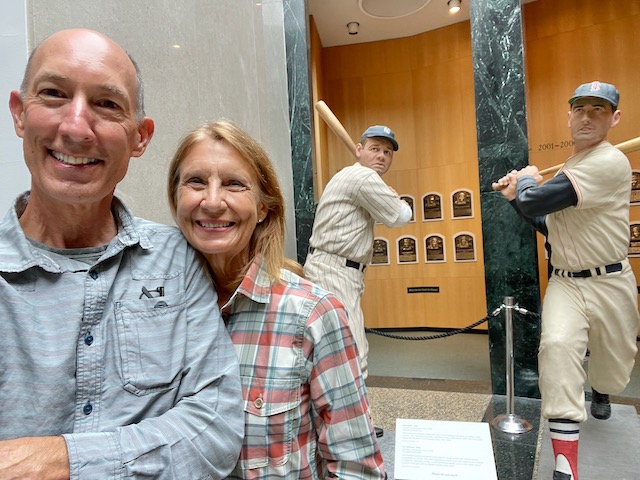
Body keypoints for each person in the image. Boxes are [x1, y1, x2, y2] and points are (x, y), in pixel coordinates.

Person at [0, 29, 244, 479]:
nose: (74, 127)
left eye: (107, 104)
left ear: (140, 137)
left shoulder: (176, 258)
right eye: (53, 94)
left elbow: (215, 426)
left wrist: (63, 461)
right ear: (19, 113)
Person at [166, 119, 386, 479]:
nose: (212, 201)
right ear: (176, 197)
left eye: (234, 184)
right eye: (196, 182)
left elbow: (355, 467)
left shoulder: (313, 314)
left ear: (265, 206)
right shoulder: (149, 309)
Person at [494, 81, 640, 480]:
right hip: (565, 281)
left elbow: (536, 200)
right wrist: (516, 197)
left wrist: (525, 178)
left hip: (610, 281)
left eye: (599, 109)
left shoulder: (609, 161)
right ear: (570, 115)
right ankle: (565, 466)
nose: (588, 116)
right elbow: (545, 223)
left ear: (615, 118)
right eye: (581, 108)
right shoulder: (573, 167)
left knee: (613, 368)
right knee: (556, 347)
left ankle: (603, 388)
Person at [303, 125, 412, 382]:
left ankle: (332, 419)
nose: (382, 156)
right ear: (359, 150)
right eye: (375, 149)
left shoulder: (350, 176)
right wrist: (401, 203)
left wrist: (389, 199)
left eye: (387, 152)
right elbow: (399, 217)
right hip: (335, 271)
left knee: (331, 350)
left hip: (330, 268)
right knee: (353, 351)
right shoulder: (364, 177)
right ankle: (356, 422)